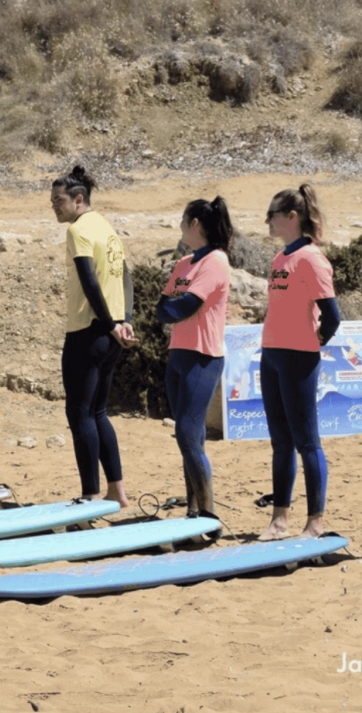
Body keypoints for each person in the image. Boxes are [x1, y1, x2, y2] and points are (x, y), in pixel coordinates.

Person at [50, 165, 135, 508]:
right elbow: (125, 278)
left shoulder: (79, 230)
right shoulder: (105, 226)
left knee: (80, 414)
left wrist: (110, 322)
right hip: (110, 333)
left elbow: (89, 280)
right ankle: (117, 491)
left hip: (88, 331)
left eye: (59, 201)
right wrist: (123, 321)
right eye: (52, 201)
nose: (54, 207)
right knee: (98, 412)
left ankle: (90, 494)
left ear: (78, 199)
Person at [259, 183, 341, 540]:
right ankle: (279, 520)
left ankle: (315, 522)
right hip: (271, 355)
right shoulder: (281, 258)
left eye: (272, 215)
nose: (267, 221)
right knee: (280, 442)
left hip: (298, 358)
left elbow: (332, 316)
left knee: (307, 441)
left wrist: (313, 341)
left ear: (292, 216)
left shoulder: (311, 258)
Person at [155, 197, 234, 522]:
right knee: (189, 438)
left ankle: (209, 516)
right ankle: (193, 509)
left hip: (203, 357)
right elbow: (162, 309)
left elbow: (185, 306)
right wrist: (174, 307)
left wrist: (175, 306)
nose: (179, 226)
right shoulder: (183, 264)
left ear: (195, 224)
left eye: (183, 220)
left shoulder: (216, 261)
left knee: (188, 434)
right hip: (179, 354)